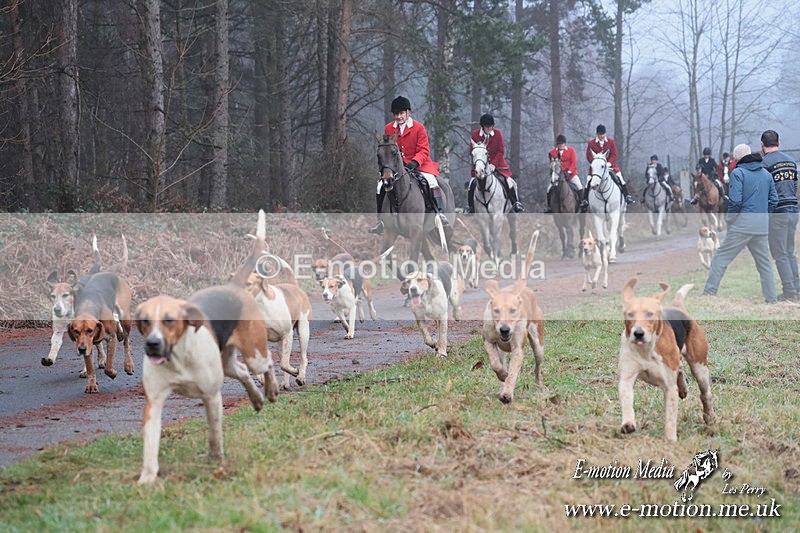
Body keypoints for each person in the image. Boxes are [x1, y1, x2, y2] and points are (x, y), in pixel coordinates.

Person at [702, 143, 778, 303]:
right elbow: (774, 200)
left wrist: (730, 219)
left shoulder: (738, 173)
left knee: (720, 258)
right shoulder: (766, 174)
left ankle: (708, 295)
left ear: (737, 158)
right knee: (765, 264)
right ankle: (772, 300)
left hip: (742, 226)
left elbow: (735, 202)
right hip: (761, 226)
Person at [369, 96, 449, 235]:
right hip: (397, 168)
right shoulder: (389, 128)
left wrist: (414, 163)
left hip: (420, 165)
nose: (399, 117)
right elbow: (388, 150)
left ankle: (439, 213)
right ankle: (381, 221)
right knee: (380, 186)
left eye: (401, 113)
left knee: (431, 181)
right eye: (396, 114)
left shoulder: (419, 128)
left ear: (408, 113)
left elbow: (424, 150)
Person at [761, 129, 799, 301]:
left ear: (762, 144)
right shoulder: (792, 162)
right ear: (779, 142)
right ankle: (797, 287)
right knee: (790, 251)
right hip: (793, 209)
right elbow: (795, 187)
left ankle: (789, 291)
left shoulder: (764, 164)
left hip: (778, 212)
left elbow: (765, 191)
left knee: (780, 253)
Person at [464, 113, 524, 215]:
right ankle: (470, 207)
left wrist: (493, 164)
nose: (490, 129)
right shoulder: (475, 135)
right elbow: (471, 151)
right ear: (483, 127)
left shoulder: (497, 133)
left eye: (491, 126)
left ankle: (515, 203)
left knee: (510, 182)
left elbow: (501, 151)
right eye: (487, 127)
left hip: (498, 166)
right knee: (471, 184)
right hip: (481, 167)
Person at [581, 124, 634, 211]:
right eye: (600, 134)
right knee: (588, 181)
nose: (602, 136)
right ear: (597, 134)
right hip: (597, 168)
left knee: (620, 178)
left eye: (603, 134)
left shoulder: (611, 142)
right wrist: (595, 163)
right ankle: (585, 200)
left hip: (610, 166)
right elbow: (588, 156)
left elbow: (614, 154)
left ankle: (627, 196)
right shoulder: (591, 143)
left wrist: (609, 163)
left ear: (605, 134)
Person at [544, 134, 582, 213]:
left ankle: (582, 204)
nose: (561, 145)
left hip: (571, 174)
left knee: (579, 186)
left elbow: (574, 162)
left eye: (562, 144)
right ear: (557, 144)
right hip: (558, 175)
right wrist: (553, 174)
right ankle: (549, 207)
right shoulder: (552, 152)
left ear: (565, 144)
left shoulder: (571, 150)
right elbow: (552, 165)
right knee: (549, 189)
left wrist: (569, 172)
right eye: (559, 144)